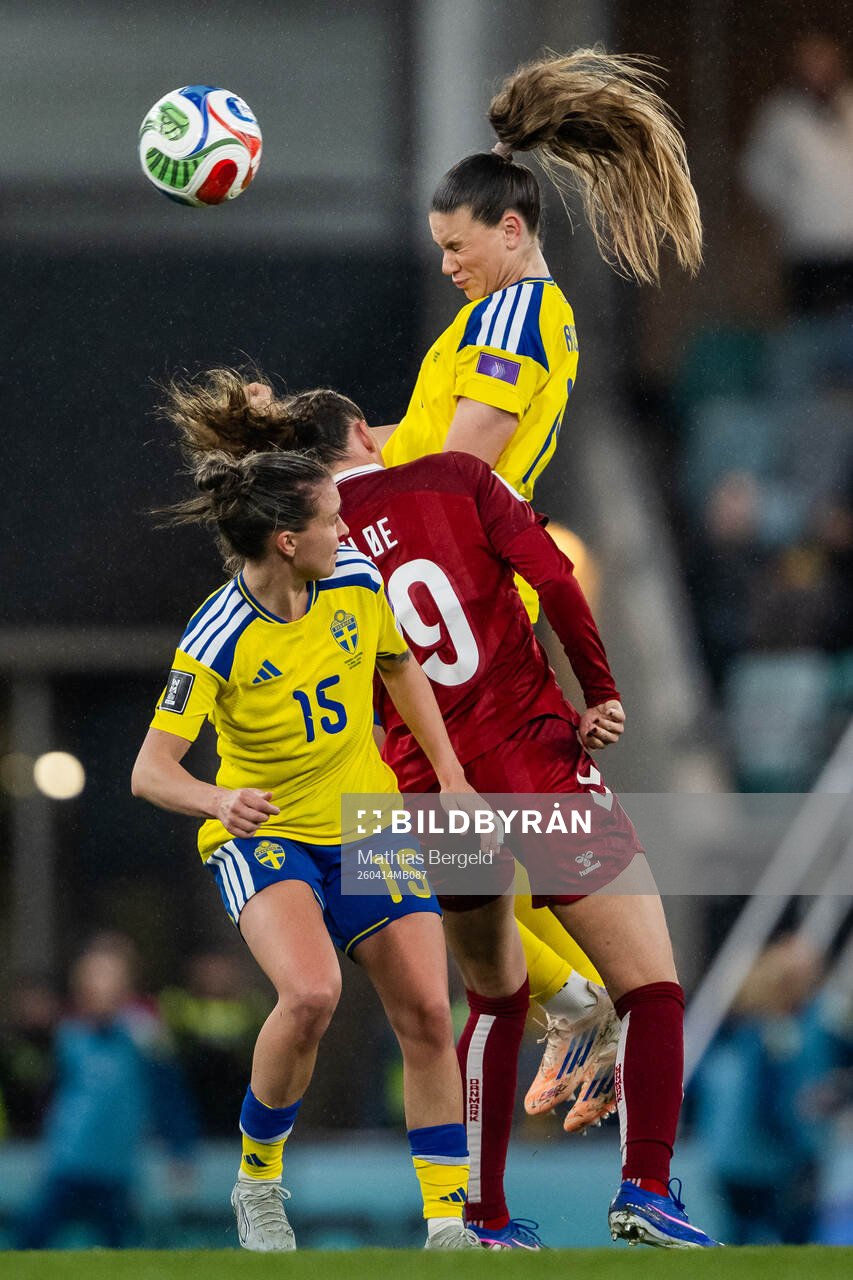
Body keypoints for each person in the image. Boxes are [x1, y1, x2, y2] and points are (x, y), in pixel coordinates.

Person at [163, 373, 721, 1249]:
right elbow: (556, 576)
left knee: (484, 1002)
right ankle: (644, 1187)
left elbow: (384, 668)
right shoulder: (454, 478)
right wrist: (600, 692)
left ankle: (481, 1218)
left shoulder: (312, 549)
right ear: (363, 435)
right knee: (650, 987)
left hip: (419, 797)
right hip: (529, 765)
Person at [131, 450, 485, 1251]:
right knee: (311, 994)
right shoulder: (217, 634)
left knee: (430, 1011)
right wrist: (218, 798)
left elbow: (398, 667)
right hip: (266, 834)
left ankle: (445, 1223)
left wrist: (451, 773)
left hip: (368, 822)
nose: (346, 526)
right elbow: (149, 772)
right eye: (330, 516)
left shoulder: (357, 582)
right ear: (287, 541)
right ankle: (257, 1185)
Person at [740, 31, 853, 314]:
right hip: (808, 249)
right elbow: (757, 174)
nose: (819, 75)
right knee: (810, 334)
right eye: (811, 67)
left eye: (824, 65)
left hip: (850, 247)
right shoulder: (781, 117)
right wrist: (795, 207)